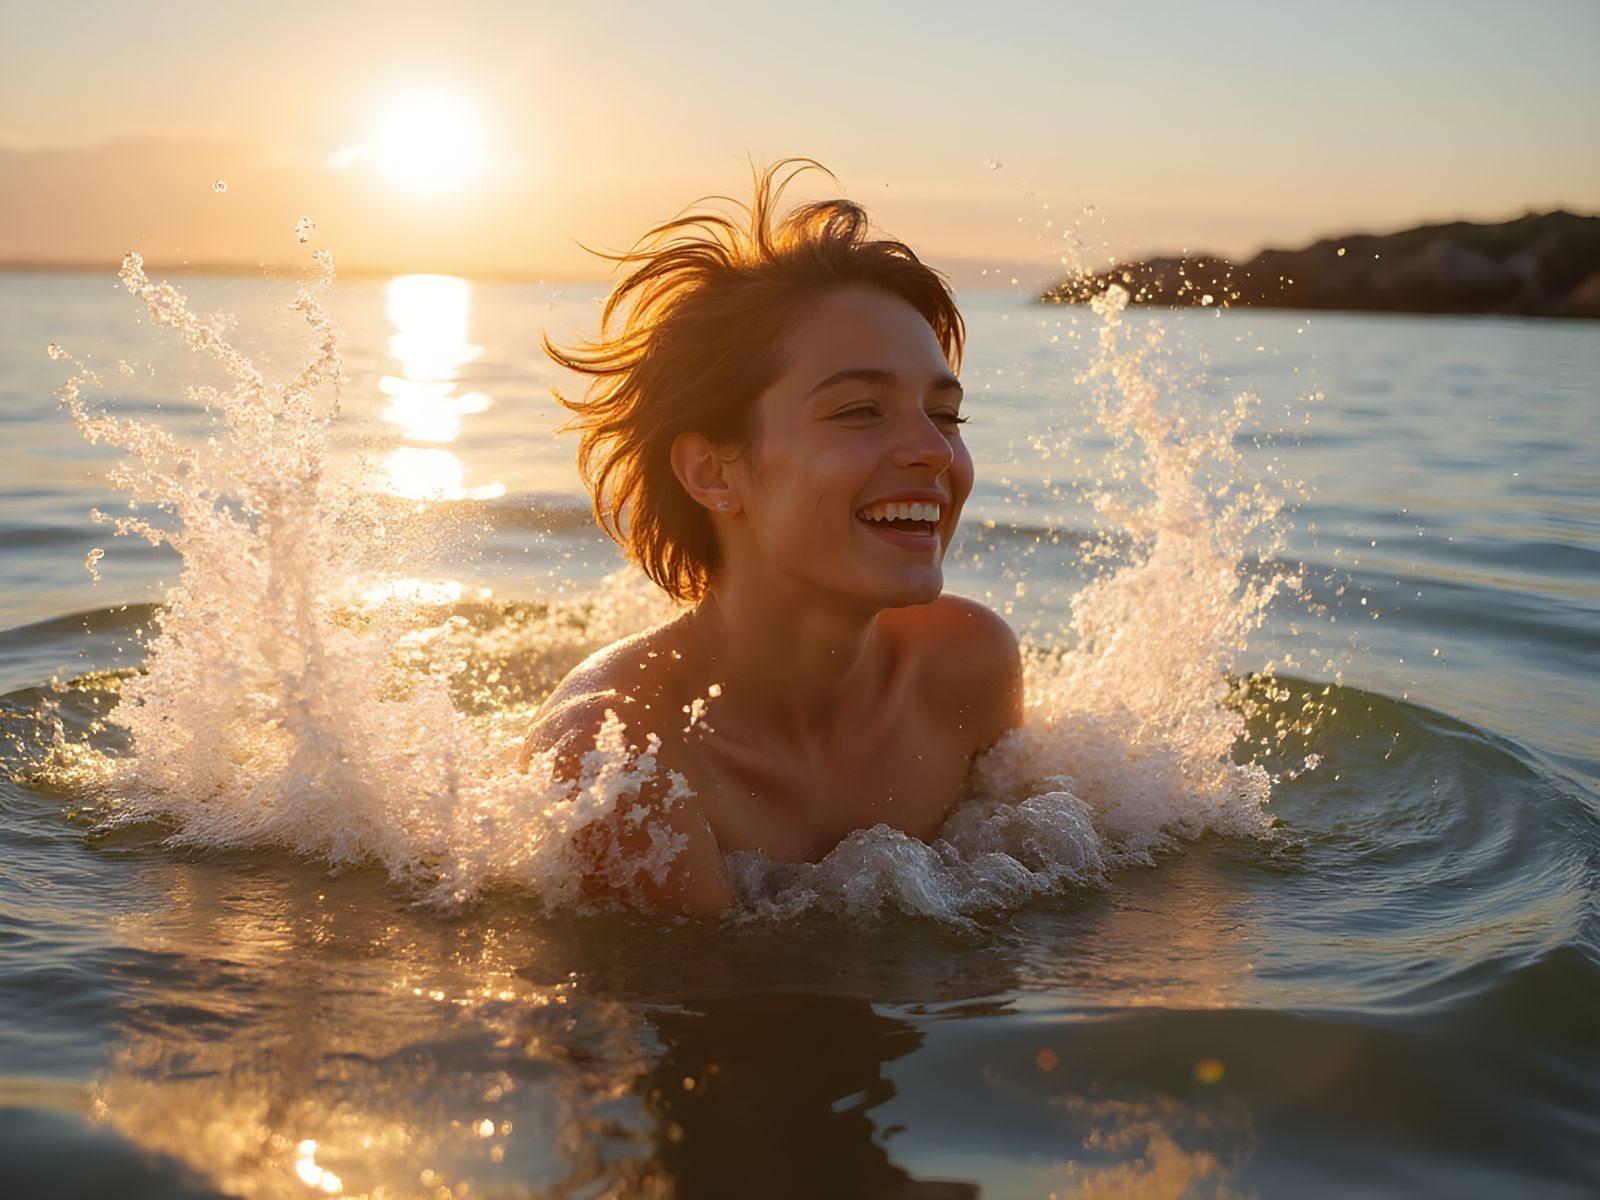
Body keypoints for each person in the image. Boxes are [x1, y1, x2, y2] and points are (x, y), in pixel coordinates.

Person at [522, 159, 1023, 917]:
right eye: (859, 412)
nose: (933, 451)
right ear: (712, 472)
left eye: (946, 415)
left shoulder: (964, 666)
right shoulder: (622, 768)